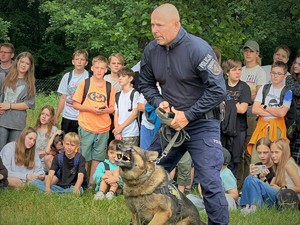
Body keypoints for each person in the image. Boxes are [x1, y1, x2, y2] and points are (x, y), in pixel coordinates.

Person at [139, 3, 228, 224]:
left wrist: (187, 115)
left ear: (176, 24)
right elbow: (145, 83)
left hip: (202, 125)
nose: (154, 30)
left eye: (159, 25)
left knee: (209, 182)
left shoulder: (198, 48)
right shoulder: (151, 50)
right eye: (152, 25)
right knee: (148, 176)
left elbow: (218, 90)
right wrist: (160, 102)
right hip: (172, 125)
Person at [73, 55, 115, 185]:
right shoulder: (85, 84)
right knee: (84, 156)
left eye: (102, 68)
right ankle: (83, 182)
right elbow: (76, 104)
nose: (99, 70)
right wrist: (92, 109)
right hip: (86, 126)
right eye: (97, 67)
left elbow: (112, 108)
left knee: (98, 157)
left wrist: (104, 110)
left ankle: (92, 183)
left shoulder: (109, 87)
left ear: (106, 70)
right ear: (92, 68)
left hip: (103, 128)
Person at [240, 138, 300, 215]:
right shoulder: (278, 165)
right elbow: (270, 187)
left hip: (289, 200)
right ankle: (247, 207)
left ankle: (253, 208)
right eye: (272, 152)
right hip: (280, 197)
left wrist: (281, 189)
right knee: (250, 178)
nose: (273, 155)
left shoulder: (288, 164)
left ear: (284, 152)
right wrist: (263, 178)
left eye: (276, 152)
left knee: (251, 179)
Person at [247, 61, 292, 163]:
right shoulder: (264, 88)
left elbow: (282, 113)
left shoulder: (288, 92)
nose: (275, 76)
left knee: (275, 160)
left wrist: (266, 107)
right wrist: (275, 111)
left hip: (278, 128)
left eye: (279, 74)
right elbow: (255, 109)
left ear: (284, 75)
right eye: (273, 73)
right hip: (262, 126)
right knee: (256, 158)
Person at [221, 59, 252, 176]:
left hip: (239, 128)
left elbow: (243, 109)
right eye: (234, 70)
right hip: (222, 126)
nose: (238, 72)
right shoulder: (221, 85)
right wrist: (235, 104)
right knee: (221, 156)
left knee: (235, 159)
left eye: (240, 69)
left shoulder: (244, 87)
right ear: (227, 72)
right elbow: (215, 104)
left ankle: (231, 188)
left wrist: (226, 103)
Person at [0, 52, 36, 151]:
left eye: (27, 63)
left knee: (11, 152)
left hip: (17, 123)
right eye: (22, 62)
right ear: (17, 62)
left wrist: (10, 106)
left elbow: (28, 104)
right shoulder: (4, 77)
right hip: (2, 120)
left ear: (30, 67)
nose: (24, 65)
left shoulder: (30, 83)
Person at [53, 49, 89, 134]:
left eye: (82, 59)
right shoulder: (67, 77)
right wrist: (56, 116)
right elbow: (63, 98)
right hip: (67, 117)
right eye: (77, 59)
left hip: (83, 118)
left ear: (86, 63)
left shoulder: (89, 78)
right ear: (73, 62)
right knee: (66, 142)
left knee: (79, 144)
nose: (79, 62)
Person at [113, 67, 139, 147]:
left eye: (123, 76)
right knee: (118, 157)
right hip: (119, 133)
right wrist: (117, 130)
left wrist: (120, 128)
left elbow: (134, 114)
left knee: (128, 158)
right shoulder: (118, 95)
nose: (120, 78)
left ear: (130, 78)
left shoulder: (135, 93)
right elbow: (116, 113)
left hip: (131, 133)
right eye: (119, 76)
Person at [286, 55, 300, 165]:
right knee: (290, 154)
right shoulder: (289, 78)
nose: (296, 66)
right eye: (295, 63)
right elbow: (294, 90)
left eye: (299, 64)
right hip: (291, 119)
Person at [35, 105, 58, 170]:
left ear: (51, 118)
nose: (44, 117)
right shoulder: (35, 130)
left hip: (47, 161)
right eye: (42, 114)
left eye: (47, 115)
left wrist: (42, 152)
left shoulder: (54, 130)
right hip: (34, 160)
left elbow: (57, 152)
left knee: (48, 158)